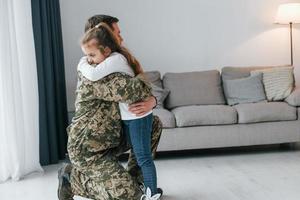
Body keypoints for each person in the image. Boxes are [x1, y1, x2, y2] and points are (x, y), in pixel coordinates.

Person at [58, 15, 163, 200]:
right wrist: (151, 98)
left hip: (110, 137)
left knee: (153, 124)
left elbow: (140, 87)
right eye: (116, 34)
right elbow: (137, 89)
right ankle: (72, 178)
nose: (121, 38)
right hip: (88, 149)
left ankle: (134, 180)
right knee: (128, 195)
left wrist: (152, 101)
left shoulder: (109, 63)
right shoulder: (93, 73)